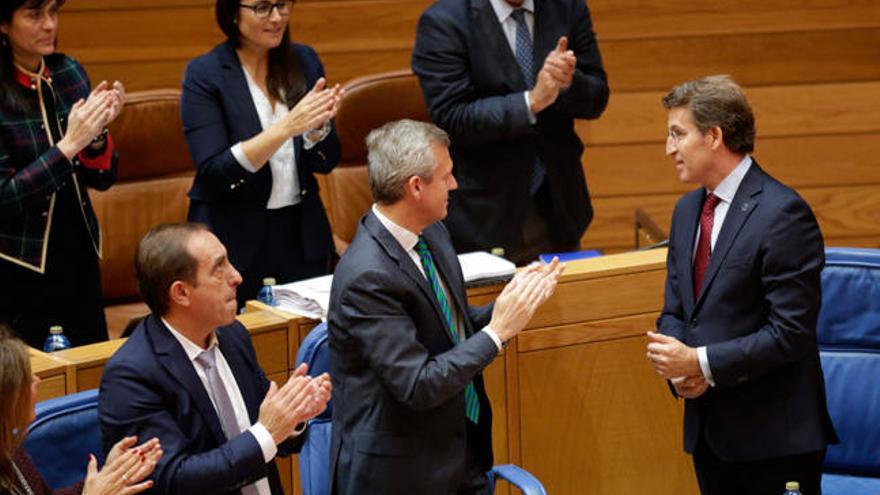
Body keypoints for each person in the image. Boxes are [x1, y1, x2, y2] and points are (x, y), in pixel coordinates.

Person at [328, 120, 563, 494]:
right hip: (399, 474)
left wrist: (511, 303)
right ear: (416, 187)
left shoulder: (432, 232)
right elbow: (417, 384)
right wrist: (496, 332)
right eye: (446, 176)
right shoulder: (367, 276)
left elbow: (449, 328)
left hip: (457, 450)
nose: (455, 185)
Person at [646, 76, 837, 495]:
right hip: (711, 435)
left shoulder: (783, 213)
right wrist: (680, 370)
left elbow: (791, 333)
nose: (669, 149)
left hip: (774, 441)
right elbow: (676, 310)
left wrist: (700, 363)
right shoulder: (687, 210)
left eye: (678, 134)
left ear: (714, 136)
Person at [98, 223, 332, 495]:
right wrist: (267, 432)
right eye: (219, 268)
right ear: (181, 293)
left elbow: (269, 437)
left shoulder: (233, 335)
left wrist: (294, 417)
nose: (236, 276)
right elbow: (174, 479)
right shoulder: (131, 376)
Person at [411, 0, 609, 265]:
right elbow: (452, 117)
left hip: (557, 203)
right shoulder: (444, 22)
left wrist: (568, 82)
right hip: (483, 210)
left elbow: (597, 98)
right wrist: (532, 102)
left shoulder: (567, 8)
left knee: (563, 300)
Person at [181, 0, 342, 308]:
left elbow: (328, 161)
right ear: (232, 13)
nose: (276, 17)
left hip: (300, 231)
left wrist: (317, 130)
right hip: (234, 238)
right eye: (262, 7)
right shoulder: (206, 73)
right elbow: (214, 171)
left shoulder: (304, 60)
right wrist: (286, 128)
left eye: (282, 4)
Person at [0, 0, 124, 348]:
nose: (49, 24)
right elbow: (5, 197)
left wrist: (97, 135)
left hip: (78, 247)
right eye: (35, 14)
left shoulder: (68, 72)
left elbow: (102, 178)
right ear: (4, 25)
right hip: (18, 262)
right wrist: (68, 146)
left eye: (54, 12)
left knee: (91, 367)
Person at [0, 324, 162, 495]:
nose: (37, 380)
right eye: (25, 378)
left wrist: (107, 478)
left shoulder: (11, 446)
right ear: (8, 399)